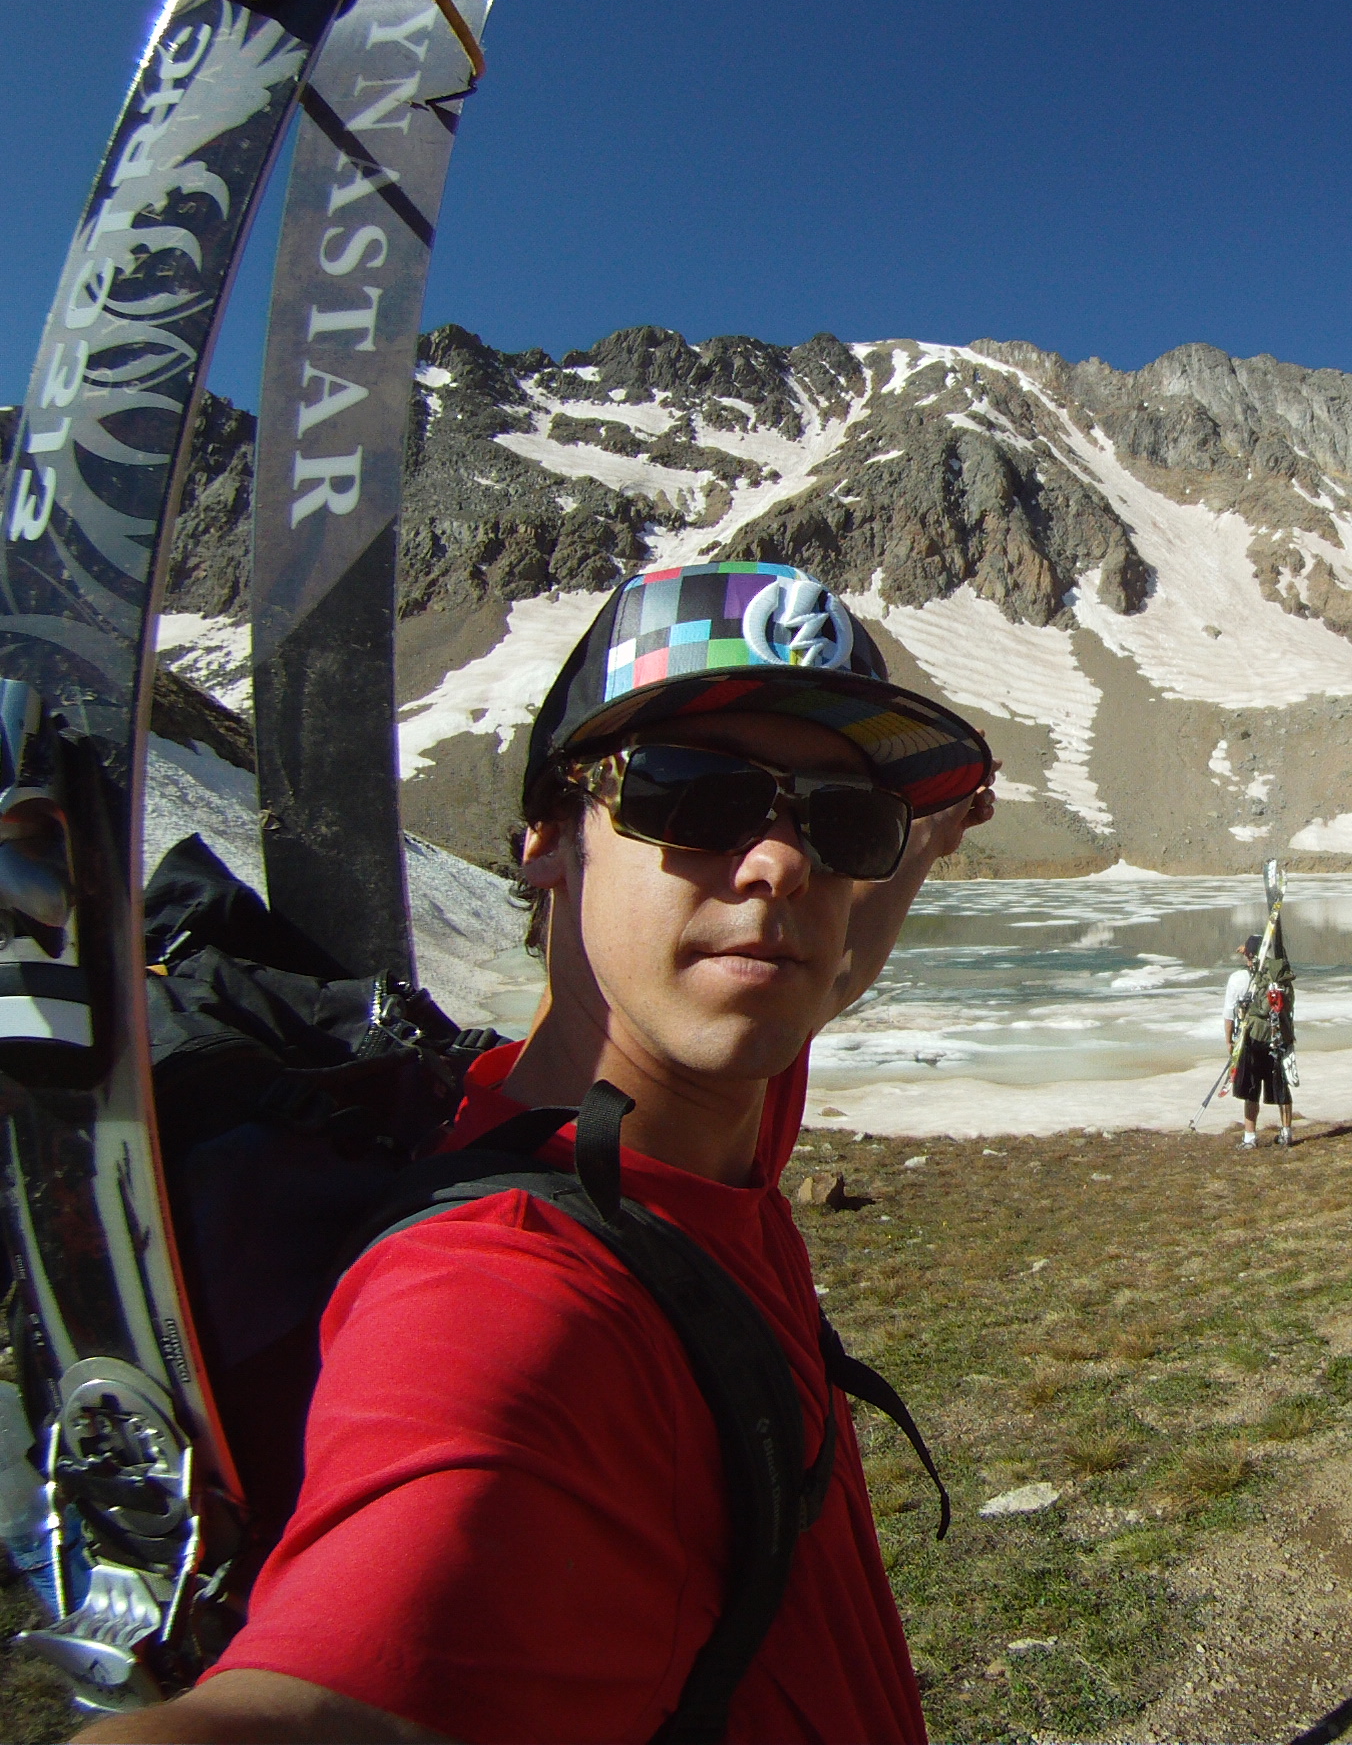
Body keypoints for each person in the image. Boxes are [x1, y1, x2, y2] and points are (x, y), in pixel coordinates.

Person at [79, 561, 994, 1744]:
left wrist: (919, 844)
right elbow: (316, 1704)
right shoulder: (508, 1294)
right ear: (549, 838)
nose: (781, 868)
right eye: (695, 799)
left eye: (841, 820)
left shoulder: (722, 1104)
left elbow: (832, 941)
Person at [1222, 931, 1298, 1147]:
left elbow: (1229, 1015)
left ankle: (1249, 1138)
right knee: (1281, 1085)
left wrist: (1229, 1042)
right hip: (1278, 1034)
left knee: (1251, 1088)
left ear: (1249, 956)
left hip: (1253, 1036)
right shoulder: (1277, 976)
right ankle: (1286, 1133)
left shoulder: (1238, 979)